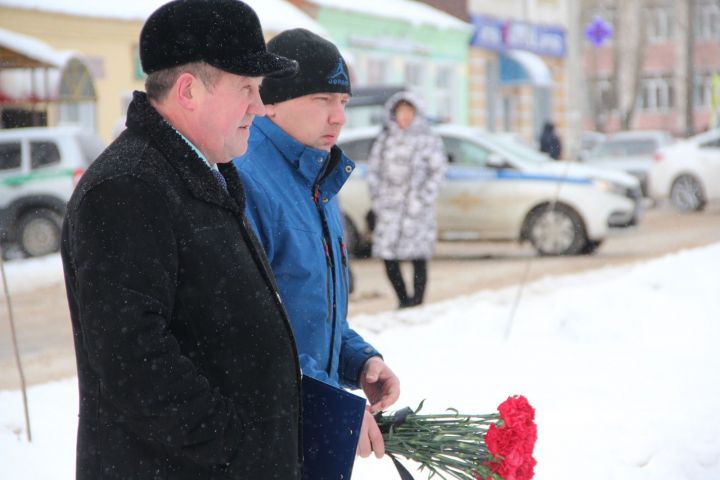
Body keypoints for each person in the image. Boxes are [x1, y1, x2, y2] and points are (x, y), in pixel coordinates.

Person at [60, 1, 303, 478]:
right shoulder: (128, 188)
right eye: (247, 88)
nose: (259, 106)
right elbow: (135, 363)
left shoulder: (201, 173)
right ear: (189, 91)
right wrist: (240, 451)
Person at [233, 29, 400, 459]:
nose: (339, 117)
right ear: (271, 102)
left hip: (307, 422)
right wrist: (329, 402)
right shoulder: (246, 182)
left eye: (342, 102)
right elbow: (248, 333)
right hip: (265, 430)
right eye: (322, 99)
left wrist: (358, 361)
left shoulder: (317, 178)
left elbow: (310, 310)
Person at [367, 92, 447, 308]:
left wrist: (423, 198)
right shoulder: (385, 140)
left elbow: (438, 172)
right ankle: (403, 299)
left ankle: (417, 301)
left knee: (418, 257)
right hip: (389, 209)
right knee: (388, 256)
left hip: (416, 210)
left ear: (417, 114)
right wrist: (378, 198)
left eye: (408, 112)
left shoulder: (428, 140)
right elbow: (373, 171)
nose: (404, 117)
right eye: (400, 112)